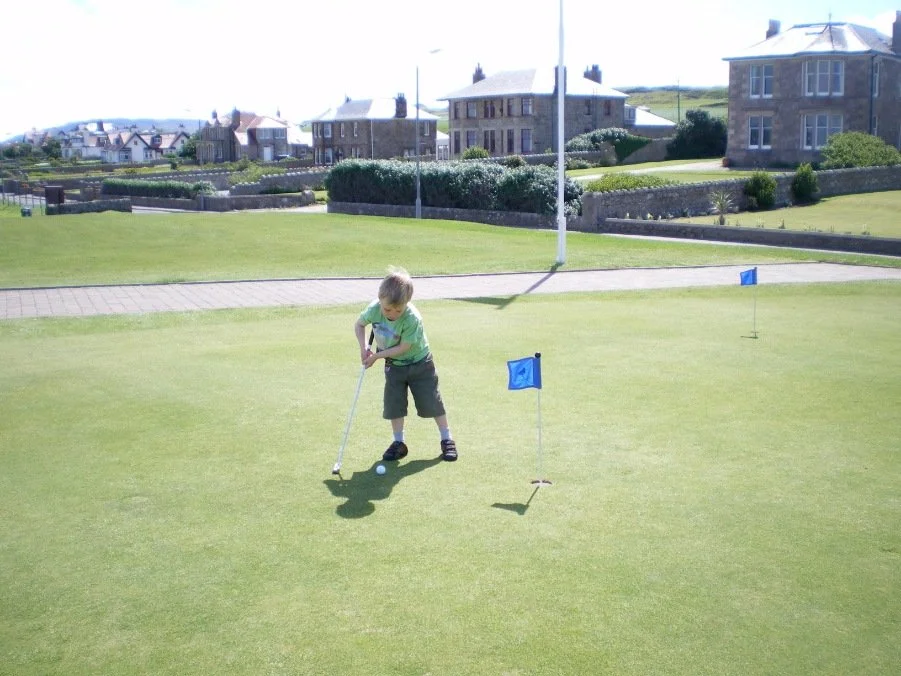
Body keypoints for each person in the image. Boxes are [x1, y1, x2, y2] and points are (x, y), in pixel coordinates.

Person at [354, 267, 457, 462]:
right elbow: (359, 324)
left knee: (431, 402)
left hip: (420, 363)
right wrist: (363, 348)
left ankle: (447, 438)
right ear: (380, 299)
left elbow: (403, 347)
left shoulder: (412, 318)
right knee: (394, 404)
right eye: (387, 309)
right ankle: (399, 443)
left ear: (406, 303)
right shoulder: (374, 309)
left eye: (398, 310)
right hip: (394, 365)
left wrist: (376, 356)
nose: (392, 314)